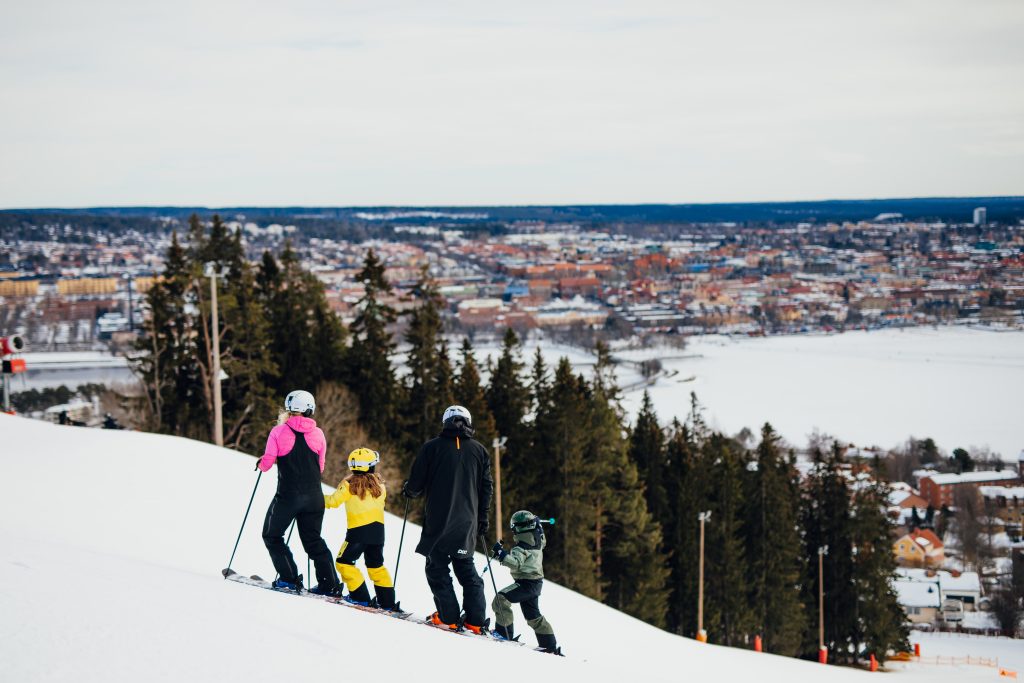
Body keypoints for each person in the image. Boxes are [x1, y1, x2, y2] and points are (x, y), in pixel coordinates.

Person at [403, 405, 493, 633]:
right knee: (466, 568)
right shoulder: (480, 451)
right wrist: (482, 518)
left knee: (437, 568)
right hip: (467, 522)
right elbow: (486, 488)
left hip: (439, 521)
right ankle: (475, 620)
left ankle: (448, 617)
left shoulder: (431, 447)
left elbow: (416, 481)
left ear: (445, 421)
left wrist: (410, 491)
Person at [257, 390, 340, 595]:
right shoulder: (319, 434)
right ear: (309, 409)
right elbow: (320, 466)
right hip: (314, 497)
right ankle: (330, 584)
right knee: (313, 541)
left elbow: (267, 464)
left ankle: (289, 578)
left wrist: (261, 462)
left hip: (288, 497)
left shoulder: (278, 432)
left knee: (272, 535)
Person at [324, 447, 399, 610]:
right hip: (378, 534)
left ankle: (360, 597)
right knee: (376, 566)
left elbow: (332, 502)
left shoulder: (349, 485)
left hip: (358, 532)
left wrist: (315, 496)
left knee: (344, 563)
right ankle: (388, 603)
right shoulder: (380, 485)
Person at [490, 510, 561, 655]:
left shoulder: (521, 547)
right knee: (533, 616)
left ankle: (504, 633)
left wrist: (501, 554)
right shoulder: (538, 540)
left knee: (500, 599)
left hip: (526, 583)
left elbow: (515, 563)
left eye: (514, 526)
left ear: (518, 528)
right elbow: (544, 540)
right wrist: (538, 528)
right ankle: (549, 645)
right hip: (536, 584)